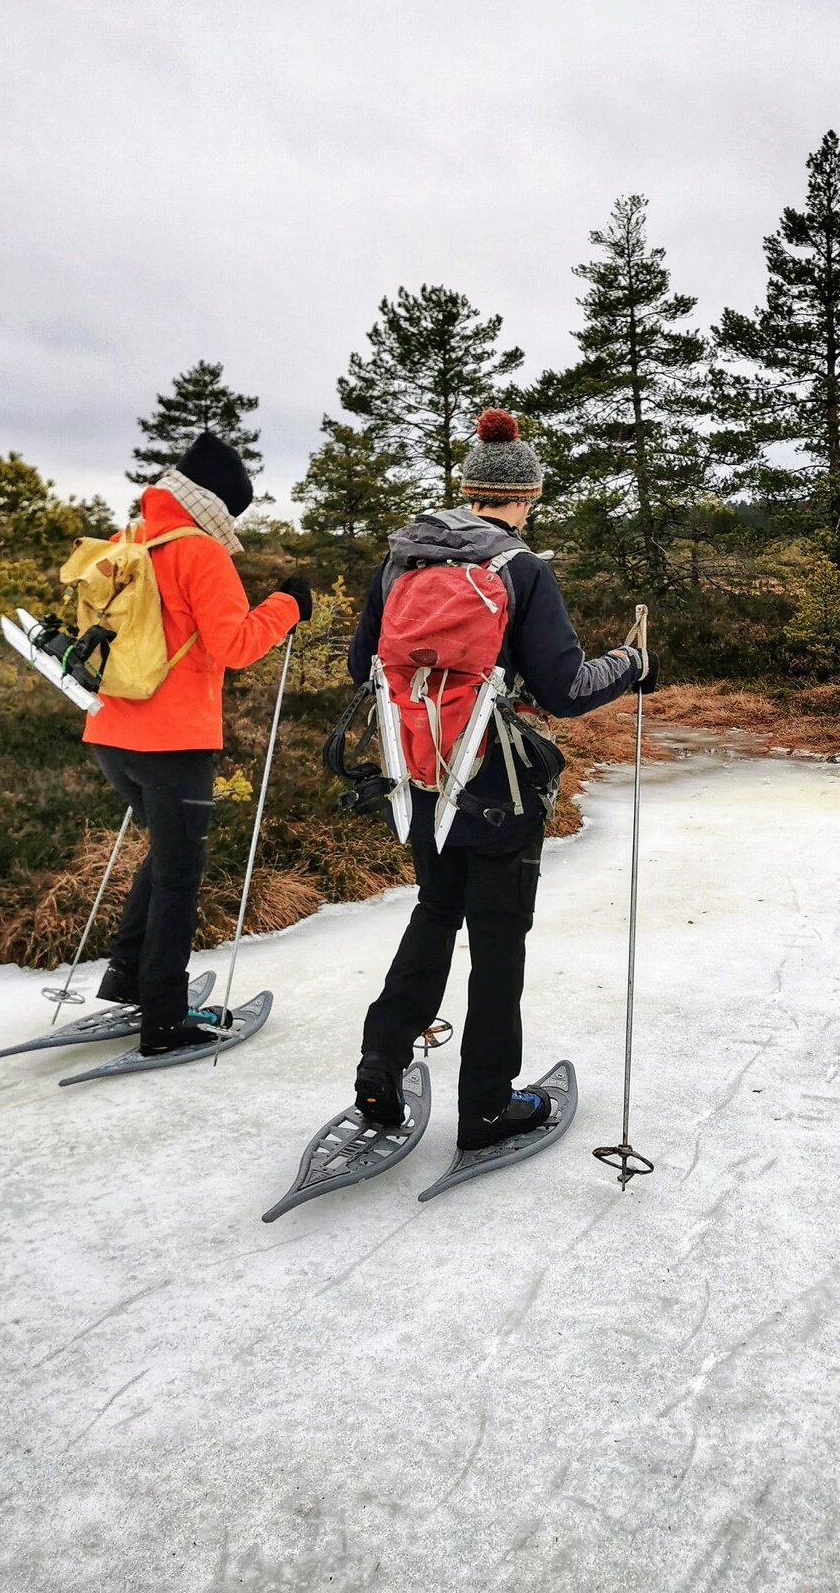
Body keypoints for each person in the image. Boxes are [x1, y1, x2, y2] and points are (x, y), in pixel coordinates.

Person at [346, 409, 658, 1148]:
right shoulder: (522, 569)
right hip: (498, 787)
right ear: (525, 498)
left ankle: (379, 1063)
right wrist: (632, 665)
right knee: (497, 944)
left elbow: (364, 667)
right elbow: (565, 691)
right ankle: (486, 1108)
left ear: (465, 488)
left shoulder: (400, 560)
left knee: (433, 913)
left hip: (420, 780)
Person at [83, 430, 312, 1054]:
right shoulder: (199, 553)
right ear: (215, 504)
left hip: (111, 733)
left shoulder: (129, 539)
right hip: (174, 743)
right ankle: (163, 1020)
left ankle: (130, 978)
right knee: (180, 875)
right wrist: (288, 604)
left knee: (164, 857)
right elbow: (236, 645)